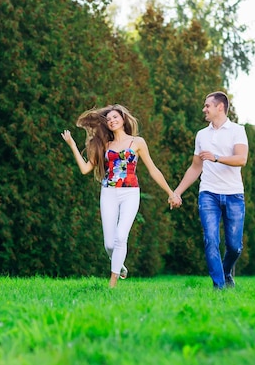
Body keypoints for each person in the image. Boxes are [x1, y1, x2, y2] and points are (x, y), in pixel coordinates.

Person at [61, 104, 181, 288]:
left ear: (123, 119)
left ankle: (112, 283)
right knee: (109, 244)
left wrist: (171, 193)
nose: (112, 121)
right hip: (108, 192)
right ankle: (120, 265)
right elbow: (85, 169)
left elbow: (153, 170)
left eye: (115, 117)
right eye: (108, 119)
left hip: (130, 192)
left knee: (121, 236)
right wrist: (72, 146)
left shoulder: (137, 142)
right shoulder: (104, 145)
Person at [171, 91, 249, 289]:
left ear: (220, 107)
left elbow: (241, 159)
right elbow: (195, 167)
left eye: (207, 106)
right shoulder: (201, 135)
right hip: (208, 194)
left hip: (233, 195)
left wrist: (216, 157)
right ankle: (219, 286)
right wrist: (177, 191)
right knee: (210, 240)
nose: (204, 109)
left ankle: (225, 271)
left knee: (235, 247)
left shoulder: (237, 130)